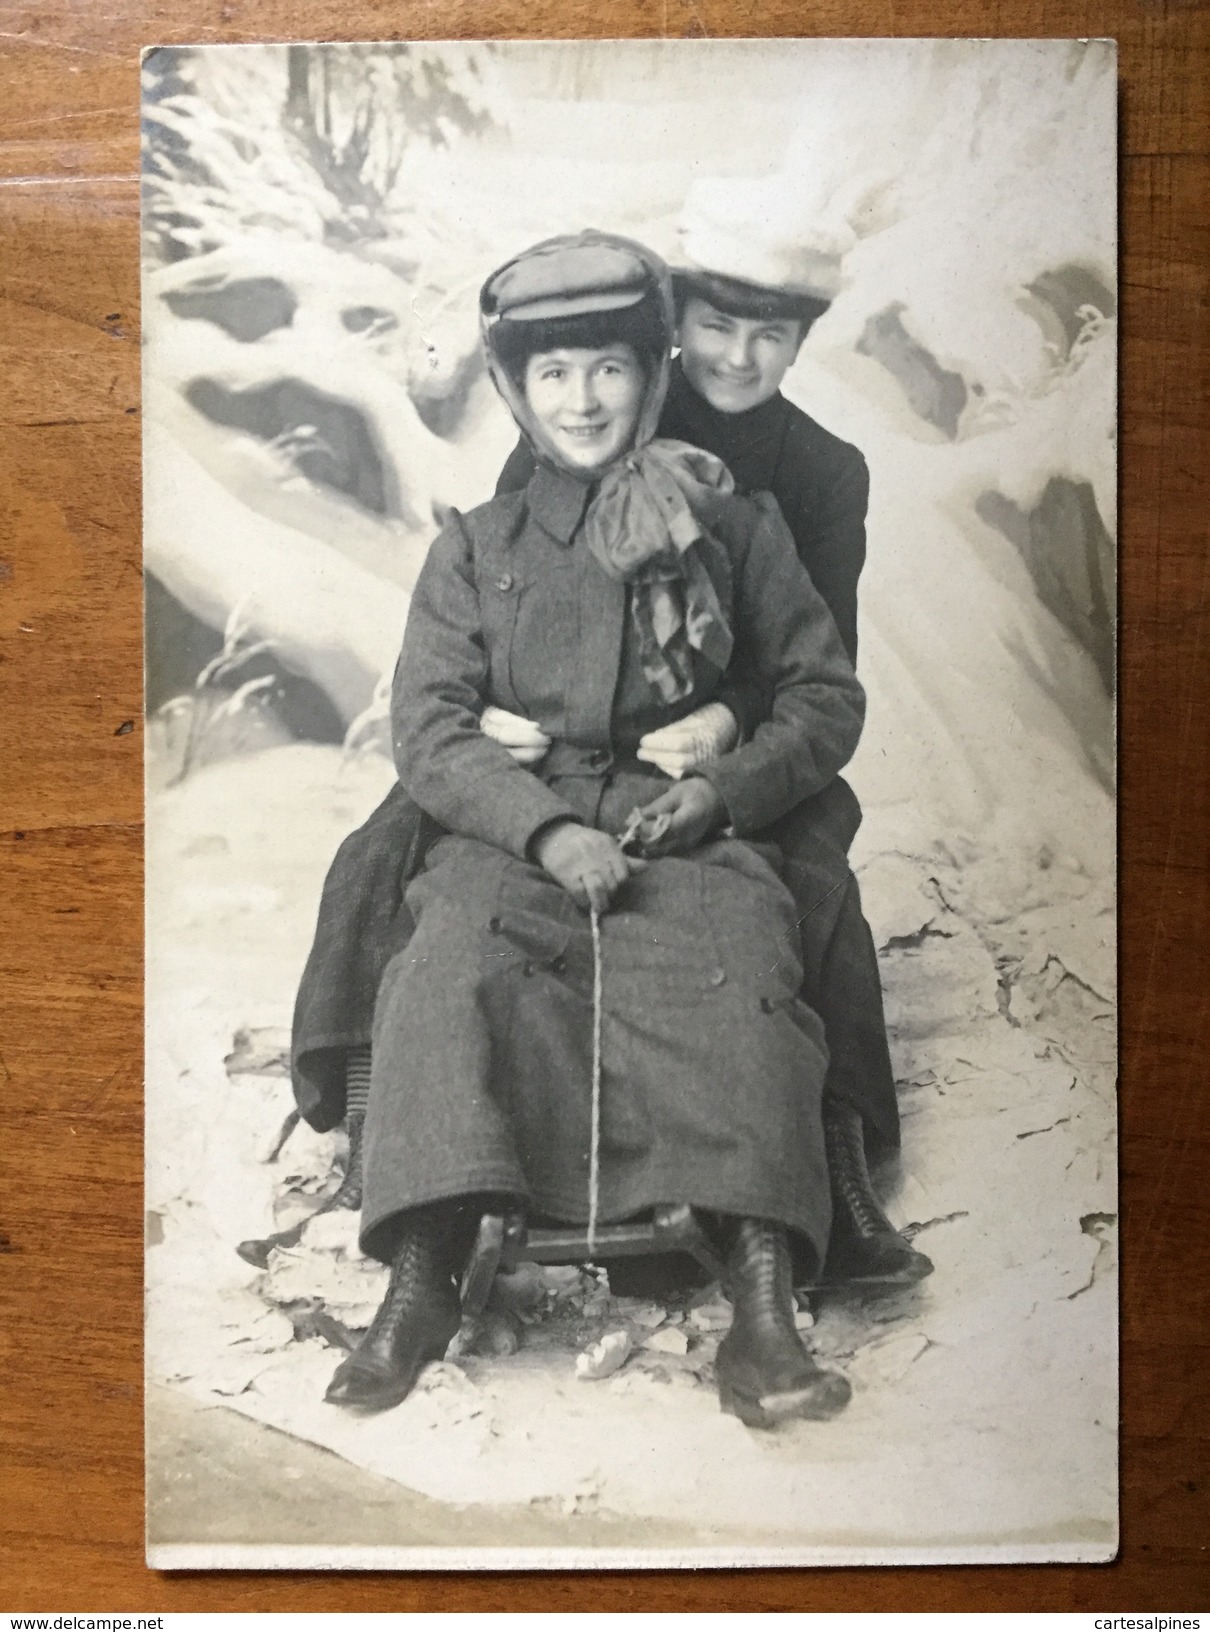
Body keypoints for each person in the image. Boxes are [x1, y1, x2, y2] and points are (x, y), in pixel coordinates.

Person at [288, 205, 930, 1289]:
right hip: (539, 759)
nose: (740, 355)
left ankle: (832, 1154)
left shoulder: (809, 481)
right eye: (720, 327)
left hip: (715, 747)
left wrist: (729, 743)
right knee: (386, 859)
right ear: (681, 333)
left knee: (808, 888)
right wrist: (494, 739)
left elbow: (820, 674)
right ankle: (380, 1106)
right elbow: (498, 606)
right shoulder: (567, 418)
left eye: (770, 336)